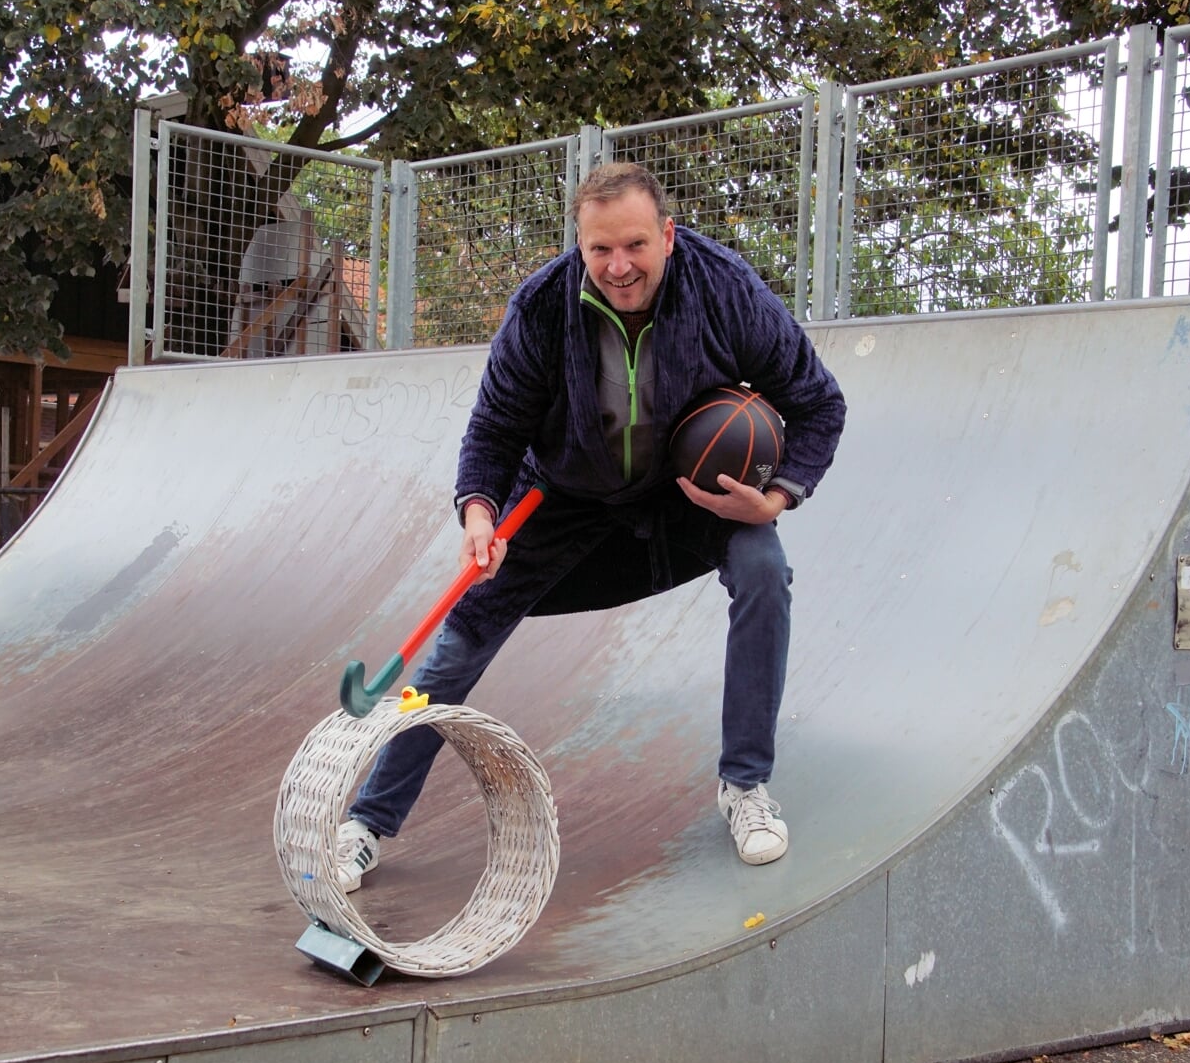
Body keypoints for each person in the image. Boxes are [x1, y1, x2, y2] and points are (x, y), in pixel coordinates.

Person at [336, 163, 846, 891]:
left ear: (667, 235)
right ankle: (369, 822)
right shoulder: (543, 306)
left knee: (765, 570)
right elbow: (494, 429)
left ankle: (745, 789)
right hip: (561, 494)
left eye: (635, 245)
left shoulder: (725, 288)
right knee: (456, 643)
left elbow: (819, 404)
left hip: (689, 494)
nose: (618, 266)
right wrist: (480, 512)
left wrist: (779, 497)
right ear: (579, 243)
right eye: (599, 249)